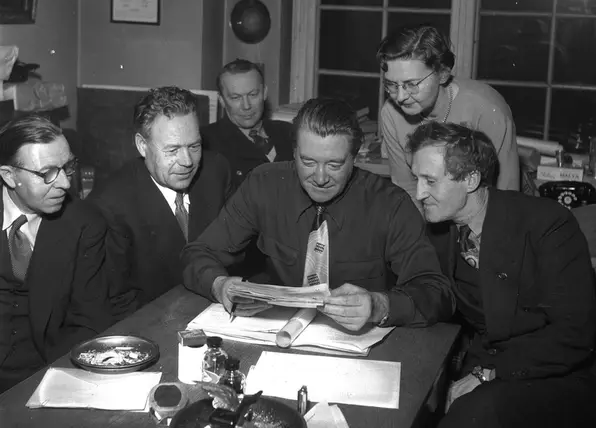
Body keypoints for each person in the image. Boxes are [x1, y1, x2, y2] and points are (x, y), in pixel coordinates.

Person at [182, 98, 454, 331]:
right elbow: (198, 253)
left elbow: (437, 292)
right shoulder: (263, 185)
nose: (320, 178)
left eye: (334, 165)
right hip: (276, 334)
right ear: (294, 152)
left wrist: (379, 306)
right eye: (308, 162)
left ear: (354, 156)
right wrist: (220, 285)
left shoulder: (390, 204)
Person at [408, 121, 596, 428]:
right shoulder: (439, 231)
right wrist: (379, 304)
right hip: (484, 362)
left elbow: (575, 334)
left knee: (474, 415)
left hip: (554, 372)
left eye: (430, 180)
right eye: (416, 178)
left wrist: (489, 374)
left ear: (470, 179)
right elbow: (427, 292)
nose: (419, 193)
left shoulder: (548, 224)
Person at [89, 86, 232, 319]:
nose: (187, 161)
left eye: (194, 146)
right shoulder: (110, 205)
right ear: (142, 146)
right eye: (173, 150)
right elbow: (118, 302)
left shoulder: (216, 171)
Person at [0, 115, 111, 394]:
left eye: (67, 168)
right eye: (47, 173)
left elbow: (89, 320)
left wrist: (51, 383)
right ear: (9, 176)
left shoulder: (85, 223)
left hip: (44, 373)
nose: (64, 183)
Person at [377, 24, 519, 206]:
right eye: (391, 85)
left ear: (442, 74)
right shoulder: (391, 113)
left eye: (411, 84)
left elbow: (507, 198)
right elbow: (407, 191)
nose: (401, 97)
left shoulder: (487, 110)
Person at [201, 59, 293, 191]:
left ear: (265, 92)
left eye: (253, 95)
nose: (246, 106)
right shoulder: (206, 143)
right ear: (222, 100)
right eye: (236, 98)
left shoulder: (289, 133)